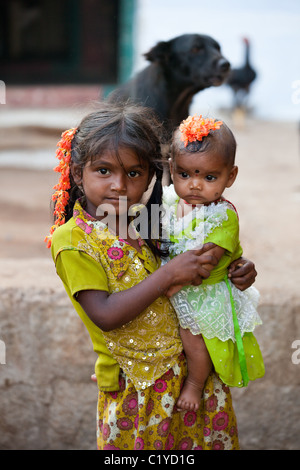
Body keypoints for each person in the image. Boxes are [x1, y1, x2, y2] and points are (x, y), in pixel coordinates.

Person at [46, 102, 257, 451]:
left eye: (133, 173)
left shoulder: (145, 218)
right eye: (103, 170)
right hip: (137, 391)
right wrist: (169, 275)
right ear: (78, 171)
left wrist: (237, 269)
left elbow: (192, 257)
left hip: (191, 378)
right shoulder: (72, 240)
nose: (119, 186)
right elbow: (106, 314)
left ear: (152, 175)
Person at [161, 114, 265, 412]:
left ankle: (194, 384)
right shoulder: (168, 201)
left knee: (193, 340)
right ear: (172, 169)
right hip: (172, 282)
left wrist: (168, 286)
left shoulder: (223, 216)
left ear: (229, 177)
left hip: (200, 292)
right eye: (184, 175)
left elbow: (205, 262)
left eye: (209, 178)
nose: (194, 185)